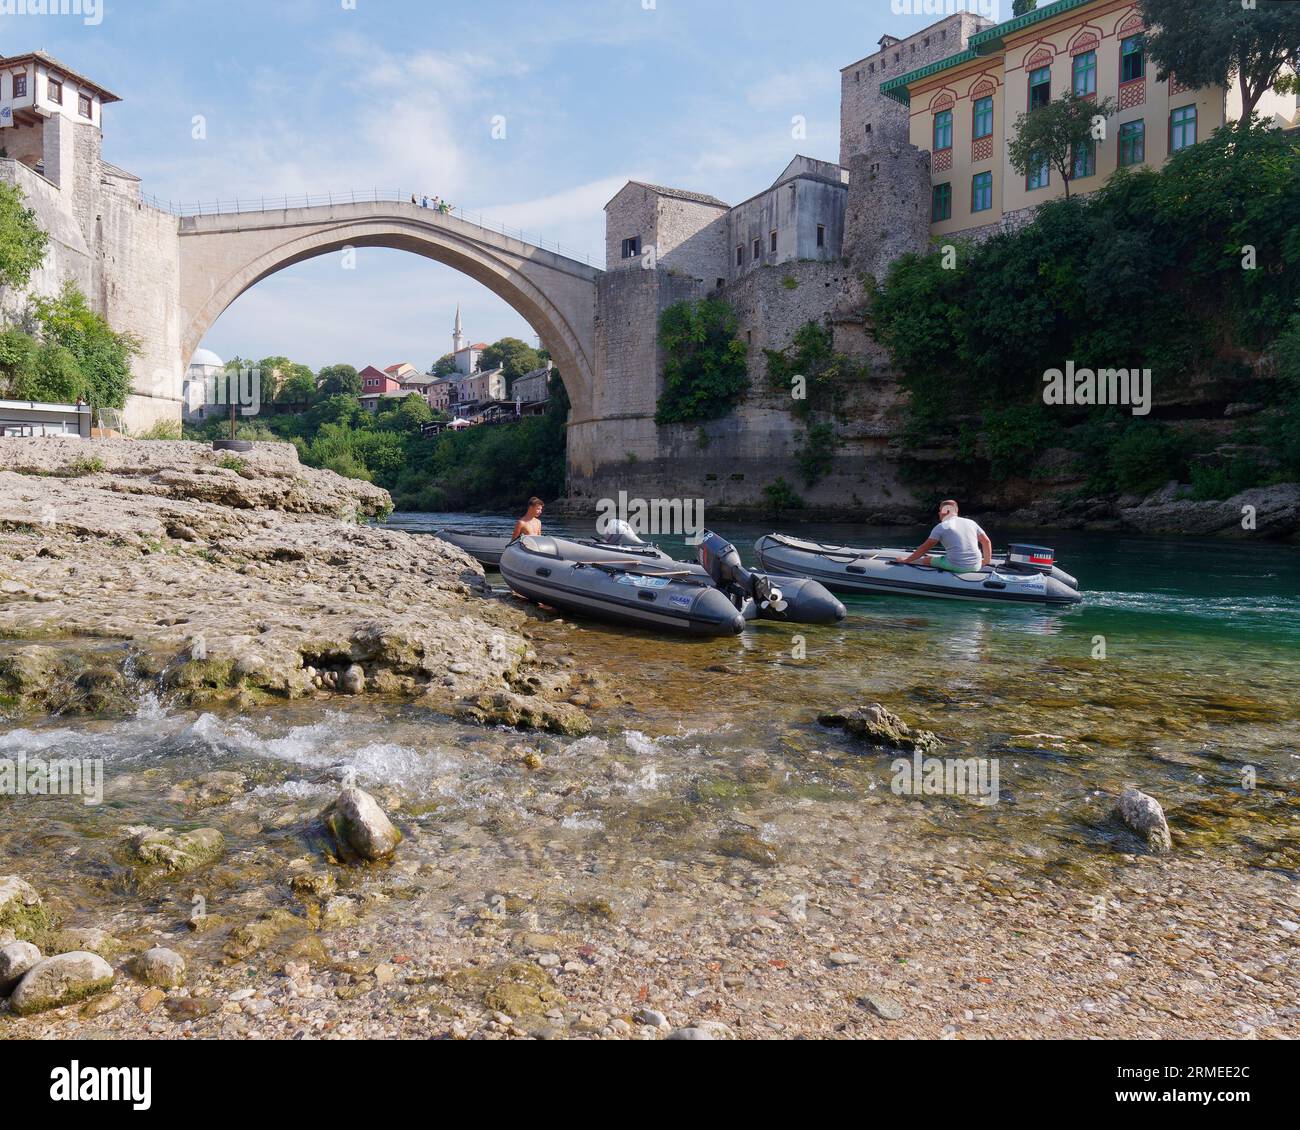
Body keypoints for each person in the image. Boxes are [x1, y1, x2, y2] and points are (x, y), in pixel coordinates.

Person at [897, 499, 992, 573]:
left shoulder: (941, 527)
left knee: (927, 559)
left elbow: (924, 548)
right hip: (976, 565)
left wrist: (906, 560)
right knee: (943, 557)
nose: (938, 513)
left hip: (957, 566)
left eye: (940, 510)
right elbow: (986, 541)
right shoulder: (971, 522)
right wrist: (986, 561)